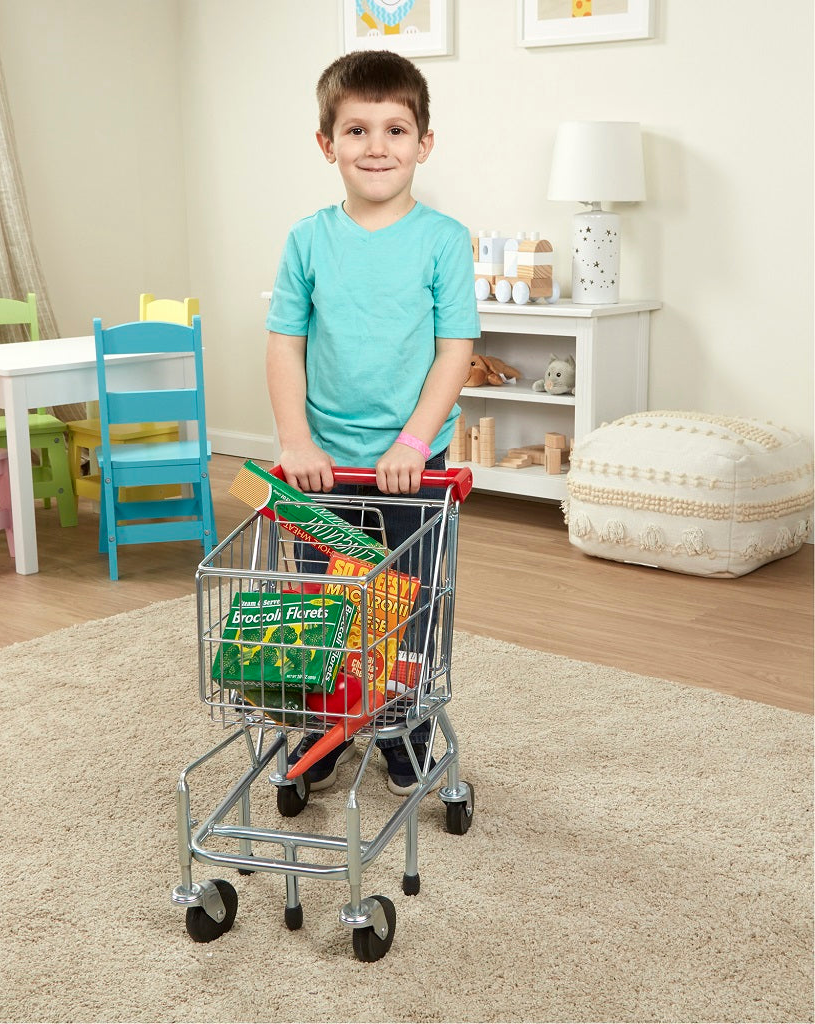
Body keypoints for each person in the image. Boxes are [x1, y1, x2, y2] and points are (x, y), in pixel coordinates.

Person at [265, 49, 479, 795]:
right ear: (328, 144)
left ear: (424, 142)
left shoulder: (444, 241)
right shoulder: (308, 240)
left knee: (409, 605)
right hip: (323, 466)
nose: (377, 146)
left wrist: (414, 442)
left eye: (395, 129)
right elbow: (285, 346)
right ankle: (323, 721)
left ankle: (401, 722)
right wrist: (296, 440)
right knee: (323, 608)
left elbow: (456, 351)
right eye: (356, 130)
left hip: (414, 467)